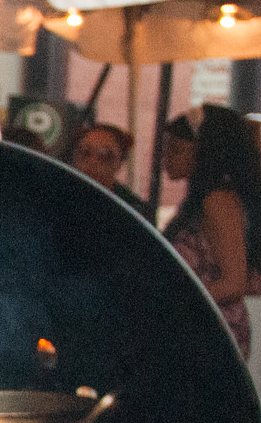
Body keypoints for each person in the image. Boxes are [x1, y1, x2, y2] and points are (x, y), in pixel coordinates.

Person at [164, 104, 261, 358]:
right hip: (203, 328)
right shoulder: (207, 199)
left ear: (205, 153)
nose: (167, 157)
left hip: (212, 334)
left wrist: (176, 303)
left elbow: (234, 282)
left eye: (177, 149)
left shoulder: (217, 201)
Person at [67, 123, 153, 221]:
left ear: (120, 162)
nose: (93, 163)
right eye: (85, 153)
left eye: (105, 156)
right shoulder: (61, 198)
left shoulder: (131, 209)